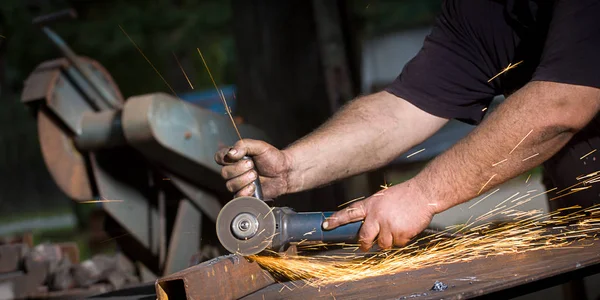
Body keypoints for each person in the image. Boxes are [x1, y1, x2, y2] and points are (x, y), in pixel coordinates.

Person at [215, 0, 600, 252]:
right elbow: (403, 108)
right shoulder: (481, 10)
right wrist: (291, 168)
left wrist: (422, 194)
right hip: (583, 230)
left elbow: (562, 103)